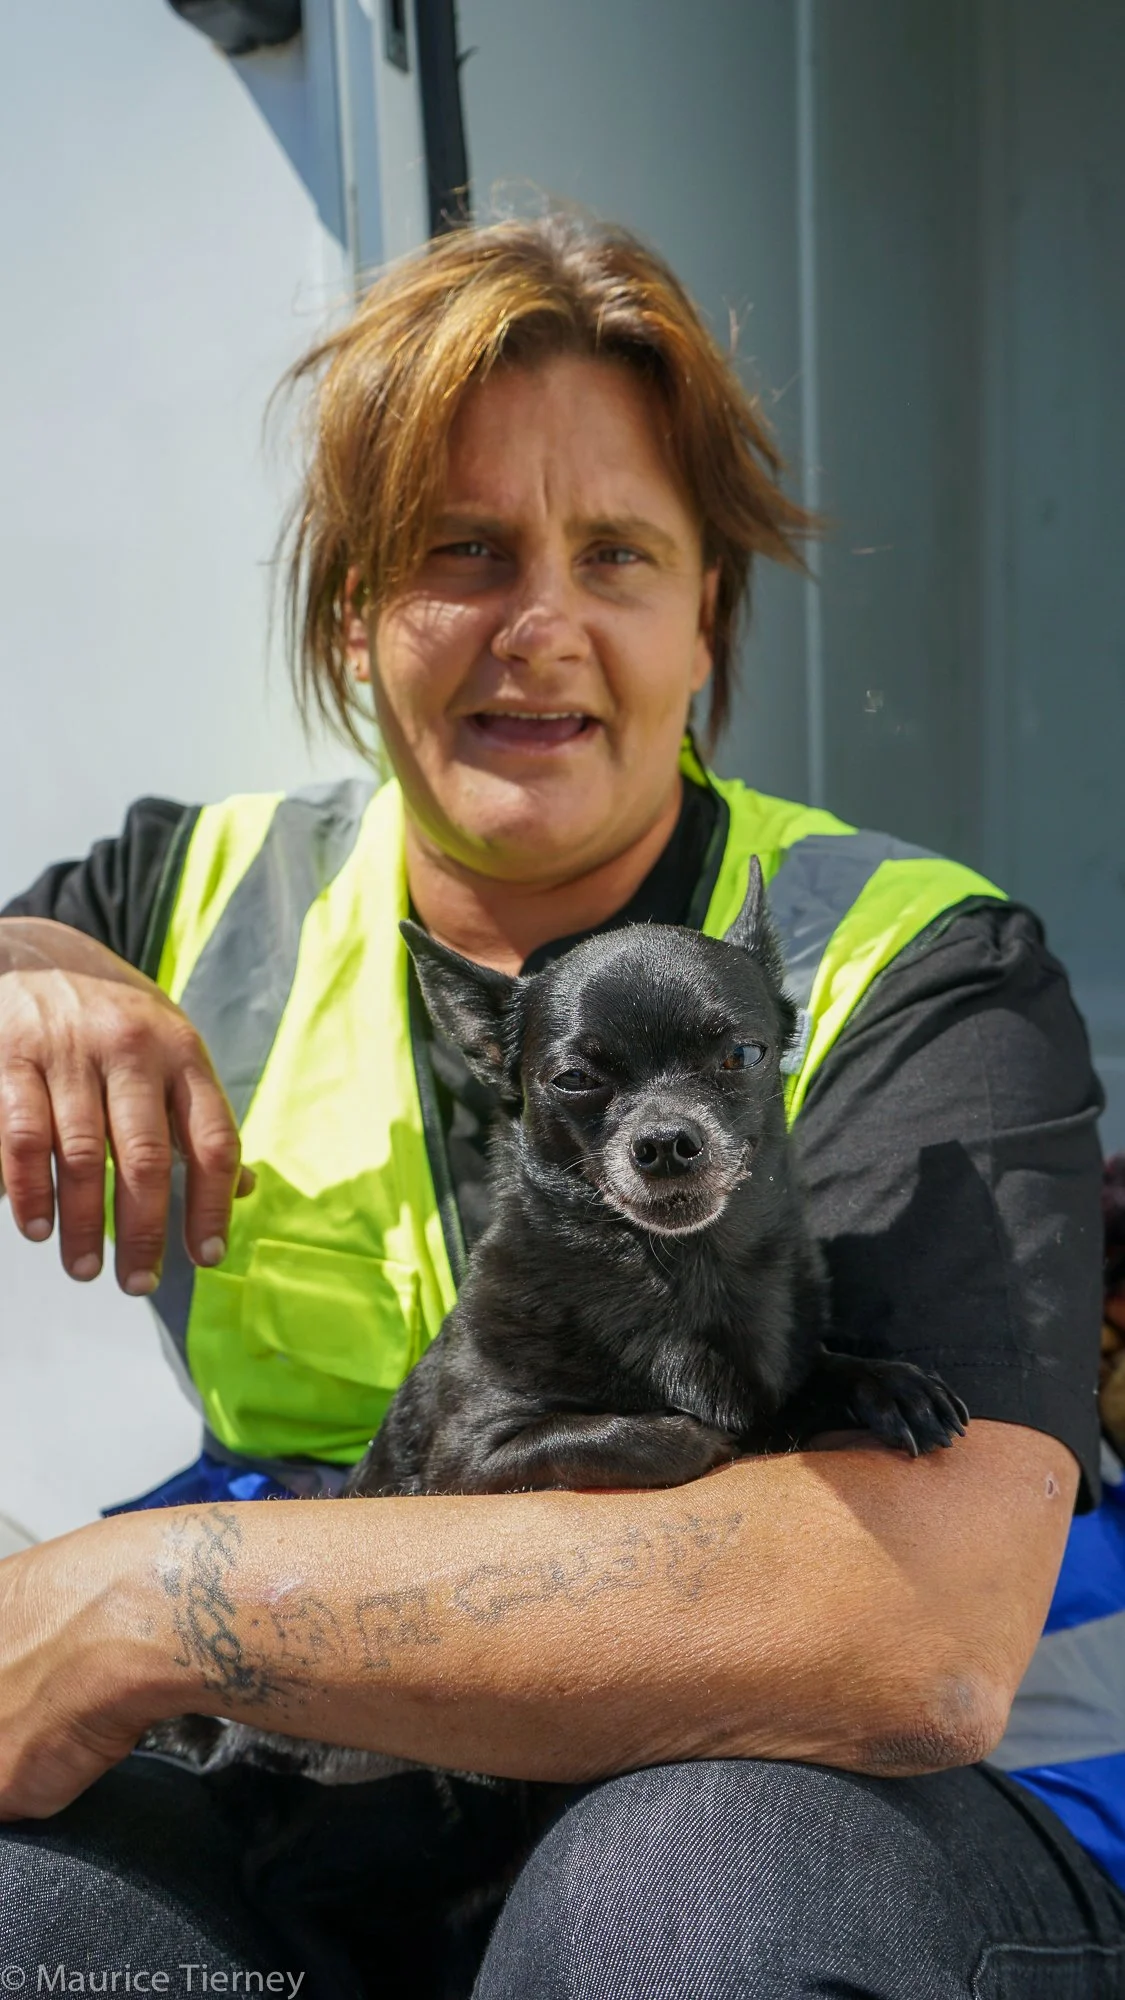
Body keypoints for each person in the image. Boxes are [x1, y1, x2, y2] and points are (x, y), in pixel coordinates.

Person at [0, 213, 1122, 1998]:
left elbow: (911, 1635)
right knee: (39, 1929)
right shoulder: (196, 889)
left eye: (616, 553)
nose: (541, 626)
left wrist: (155, 1596)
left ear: (704, 621)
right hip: (360, 1770)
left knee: (685, 1905)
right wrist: (29, 965)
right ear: (356, 615)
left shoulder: (913, 966)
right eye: (465, 550)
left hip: (848, 1775)